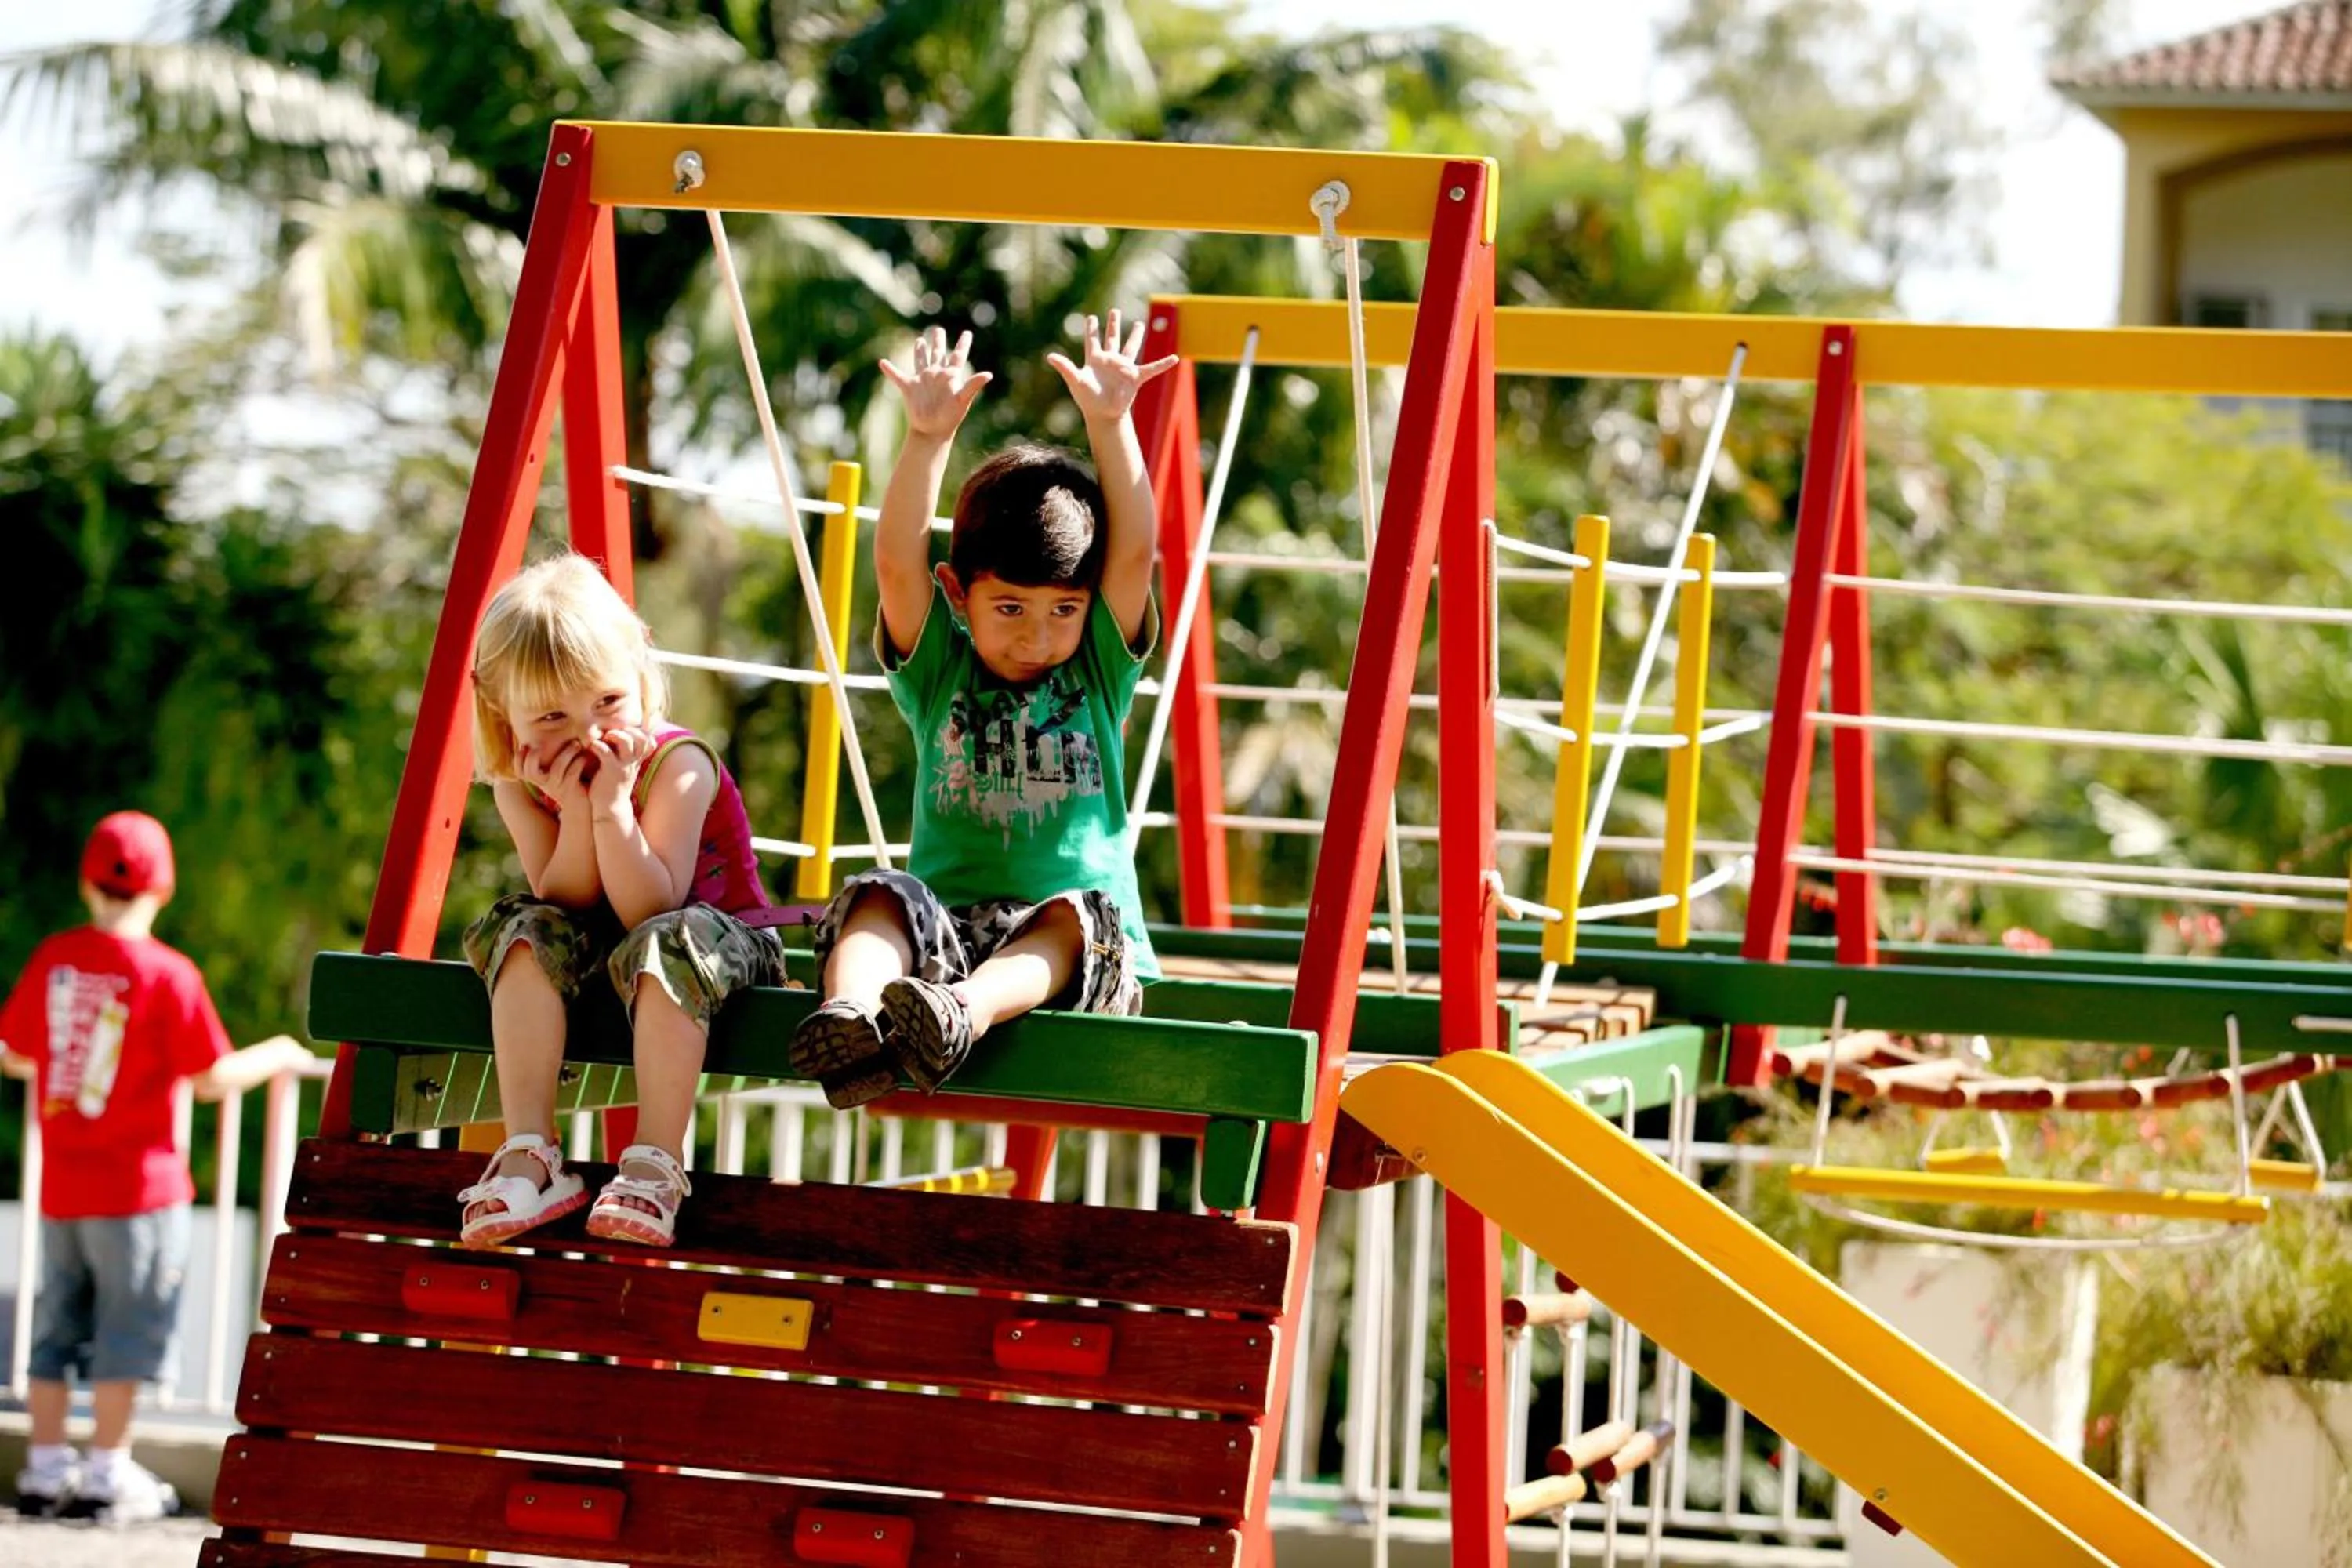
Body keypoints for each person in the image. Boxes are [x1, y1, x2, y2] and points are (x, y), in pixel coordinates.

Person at [789, 312, 1174, 1109]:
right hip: (946, 940)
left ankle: (965, 1012)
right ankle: (853, 1014)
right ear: (960, 595)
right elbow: (895, 561)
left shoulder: (1099, 669)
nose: (1038, 636)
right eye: (1010, 610)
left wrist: (1111, 422)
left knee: (1076, 917)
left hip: (1064, 956)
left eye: (1063, 610)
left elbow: (1134, 552)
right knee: (878, 895)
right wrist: (926, 440)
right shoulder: (942, 671)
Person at [455, 553, 786, 1250]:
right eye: (551, 714)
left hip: (719, 941)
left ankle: (656, 1162)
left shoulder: (679, 765)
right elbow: (561, 899)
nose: (586, 734)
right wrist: (579, 813)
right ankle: (531, 1151)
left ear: (638, 674)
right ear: (501, 709)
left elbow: (651, 907)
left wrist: (611, 808)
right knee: (521, 927)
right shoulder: (520, 779)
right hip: (618, 946)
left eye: (606, 702)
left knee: (664, 942)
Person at [0, 811, 314, 1523]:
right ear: (163, 889)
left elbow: (16, 1050)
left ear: (87, 883)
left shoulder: (55, 960)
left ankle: (46, 1469)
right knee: (129, 1330)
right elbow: (208, 1075)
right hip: (139, 1193)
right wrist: (280, 1055)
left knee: (56, 1326)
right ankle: (109, 1470)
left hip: (62, 1186)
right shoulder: (169, 975)